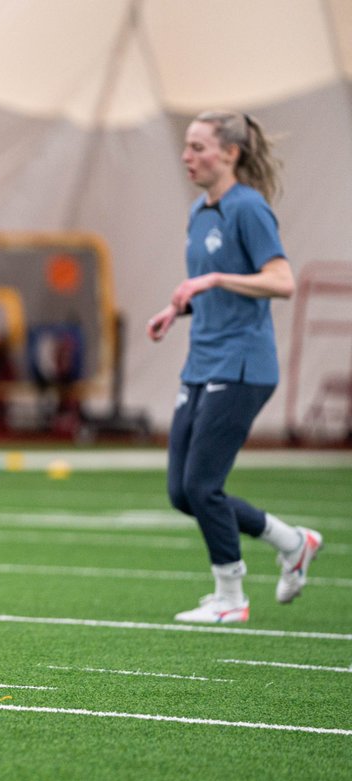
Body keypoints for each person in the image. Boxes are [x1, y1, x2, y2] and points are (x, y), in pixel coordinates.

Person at [147, 110, 322, 624]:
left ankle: (231, 596)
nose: (187, 156)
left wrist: (216, 280)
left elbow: (281, 281)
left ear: (231, 153)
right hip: (202, 361)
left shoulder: (249, 209)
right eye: (186, 146)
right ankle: (293, 542)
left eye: (199, 147)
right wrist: (178, 308)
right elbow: (214, 289)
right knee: (183, 493)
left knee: (204, 486)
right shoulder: (201, 211)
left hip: (244, 365)